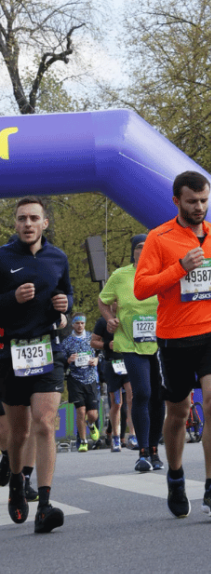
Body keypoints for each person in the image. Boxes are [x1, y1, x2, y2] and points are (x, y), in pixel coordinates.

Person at [134, 170, 211, 518]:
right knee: (178, 412)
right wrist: (180, 267)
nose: (199, 207)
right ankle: (176, 475)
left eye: (204, 200)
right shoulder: (158, 238)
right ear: (177, 201)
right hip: (174, 338)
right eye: (192, 201)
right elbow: (142, 287)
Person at [0, 196, 72, 532]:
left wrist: (65, 304)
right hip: (12, 354)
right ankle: (16, 481)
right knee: (19, 432)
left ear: (44, 223)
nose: (28, 224)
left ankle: (44, 505)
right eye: (22, 219)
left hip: (48, 350)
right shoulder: (2, 257)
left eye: (34, 218)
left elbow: (67, 297)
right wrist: (12, 299)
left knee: (45, 422)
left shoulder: (58, 257)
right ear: (15, 224)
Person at [99, 234, 164, 471]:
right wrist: (110, 319)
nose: (144, 250)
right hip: (130, 343)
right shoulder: (120, 276)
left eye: (149, 246)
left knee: (158, 397)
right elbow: (103, 300)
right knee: (142, 393)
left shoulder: (162, 271)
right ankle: (143, 452)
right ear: (133, 252)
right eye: (139, 247)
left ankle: (155, 450)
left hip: (160, 345)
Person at [90, 316, 135, 452]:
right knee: (116, 403)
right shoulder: (103, 321)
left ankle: (133, 435)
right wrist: (106, 345)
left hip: (129, 362)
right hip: (112, 364)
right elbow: (93, 342)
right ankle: (115, 437)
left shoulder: (129, 315)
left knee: (132, 398)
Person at [61, 313, 101, 451]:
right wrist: (68, 360)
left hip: (90, 379)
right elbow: (60, 362)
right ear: (73, 324)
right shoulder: (67, 342)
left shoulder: (92, 337)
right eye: (77, 323)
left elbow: (100, 353)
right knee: (80, 411)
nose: (80, 326)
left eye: (82, 323)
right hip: (75, 379)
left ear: (85, 324)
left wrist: (96, 360)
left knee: (93, 415)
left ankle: (91, 425)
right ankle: (83, 441)